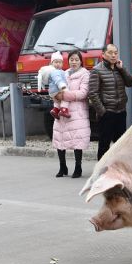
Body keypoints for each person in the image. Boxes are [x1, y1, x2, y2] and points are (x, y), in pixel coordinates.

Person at [88, 43, 132, 160]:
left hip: (121, 111)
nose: (113, 55)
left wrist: (122, 69)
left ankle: (118, 170)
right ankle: (101, 171)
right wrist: (102, 111)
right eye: (110, 53)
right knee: (104, 143)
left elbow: (130, 83)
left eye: (115, 53)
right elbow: (93, 93)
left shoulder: (119, 69)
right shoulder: (96, 70)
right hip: (107, 112)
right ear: (103, 54)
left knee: (120, 144)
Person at [52, 50, 90, 178]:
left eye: (76, 59)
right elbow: (56, 87)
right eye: (71, 59)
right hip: (62, 110)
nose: (73, 62)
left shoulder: (85, 74)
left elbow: (83, 93)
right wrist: (55, 95)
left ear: (80, 61)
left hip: (77, 111)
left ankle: (78, 167)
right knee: (60, 137)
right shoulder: (63, 73)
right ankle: (62, 166)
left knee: (77, 139)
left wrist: (66, 95)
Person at [38, 51, 69, 119]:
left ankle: (55, 110)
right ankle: (64, 109)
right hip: (57, 89)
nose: (58, 64)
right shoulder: (55, 71)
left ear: (62, 63)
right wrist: (63, 87)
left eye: (59, 62)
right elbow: (58, 80)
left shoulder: (56, 71)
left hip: (52, 91)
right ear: (52, 63)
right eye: (56, 62)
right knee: (66, 97)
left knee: (57, 101)